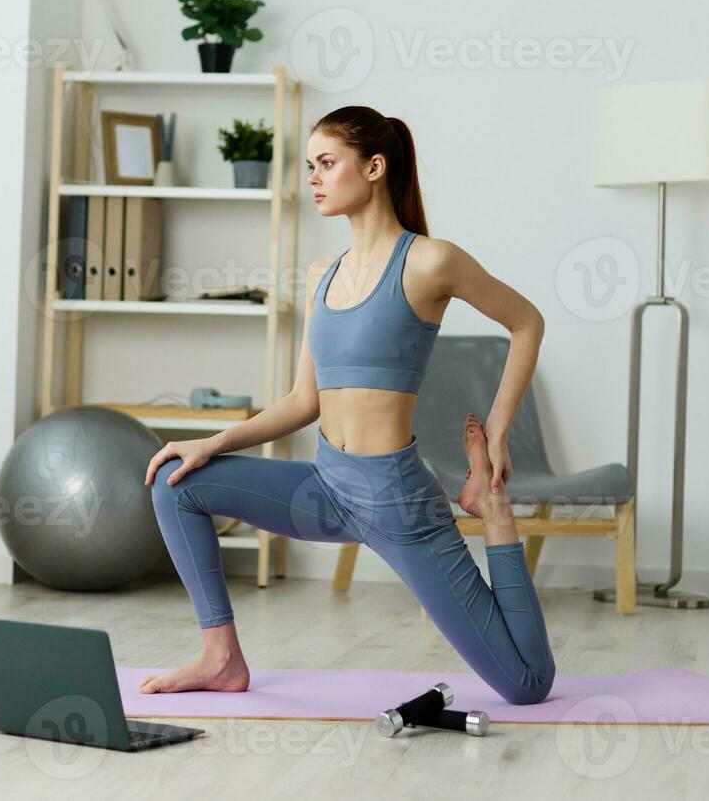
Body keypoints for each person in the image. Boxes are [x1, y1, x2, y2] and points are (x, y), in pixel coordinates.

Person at [143, 106, 554, 706]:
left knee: (526, 686)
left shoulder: (430, 261)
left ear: (374, 168)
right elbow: (303, 401)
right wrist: (212, 443)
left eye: (327, 164)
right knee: (175, 483)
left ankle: (492, 512)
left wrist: (494, 439)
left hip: (397, 503)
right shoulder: (322, 274)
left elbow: (527, 322)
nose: (313, 178)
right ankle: (221, 657)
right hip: (325, 488)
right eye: (310, 166)